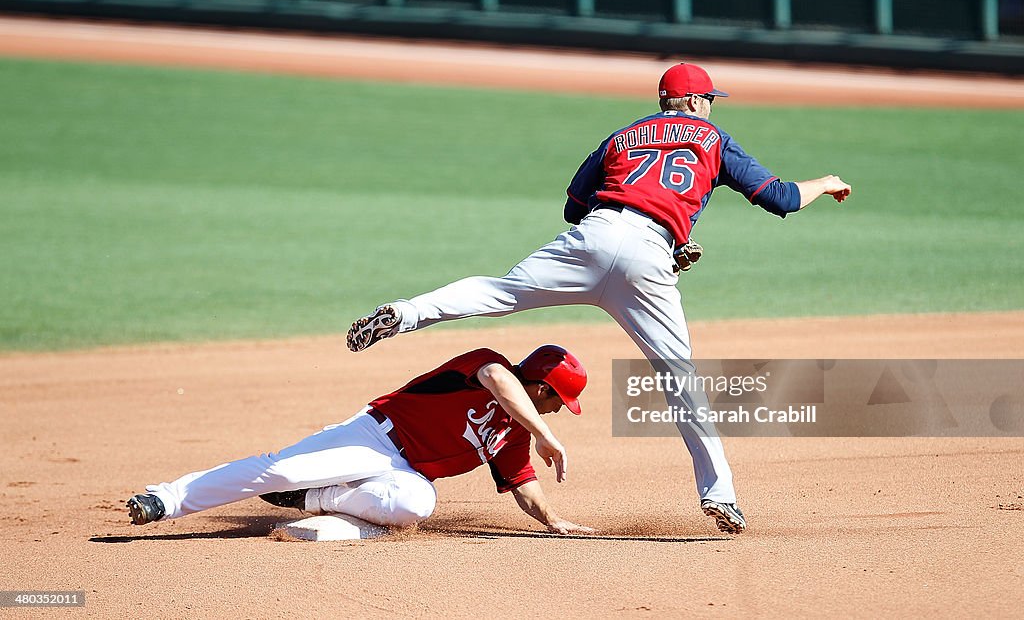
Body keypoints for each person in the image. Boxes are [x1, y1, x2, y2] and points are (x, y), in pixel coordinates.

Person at [346, 63, 852, 534]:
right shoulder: (714, 138)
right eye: (710, 100)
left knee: (497, 292)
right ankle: (720, 495)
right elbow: (779, 198)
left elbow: (573, 204)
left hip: (594, 234)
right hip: (649, 261)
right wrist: (826, 183)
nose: (712, 107)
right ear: (695, 102)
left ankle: (404, 313)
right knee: (681, 379)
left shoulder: (623, 135)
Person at [126, 345, 593, 535]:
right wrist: (546, 433)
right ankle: (166, 499)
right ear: (540, 388)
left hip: (408, 473)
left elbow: (521, 482)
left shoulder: (513, 436)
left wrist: (554, 520)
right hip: (374, 437)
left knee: (416, 506)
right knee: (280, 468)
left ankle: (315, 497)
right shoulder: (489, 365)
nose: (559, 410)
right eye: (559, 401)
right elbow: (497, 378)